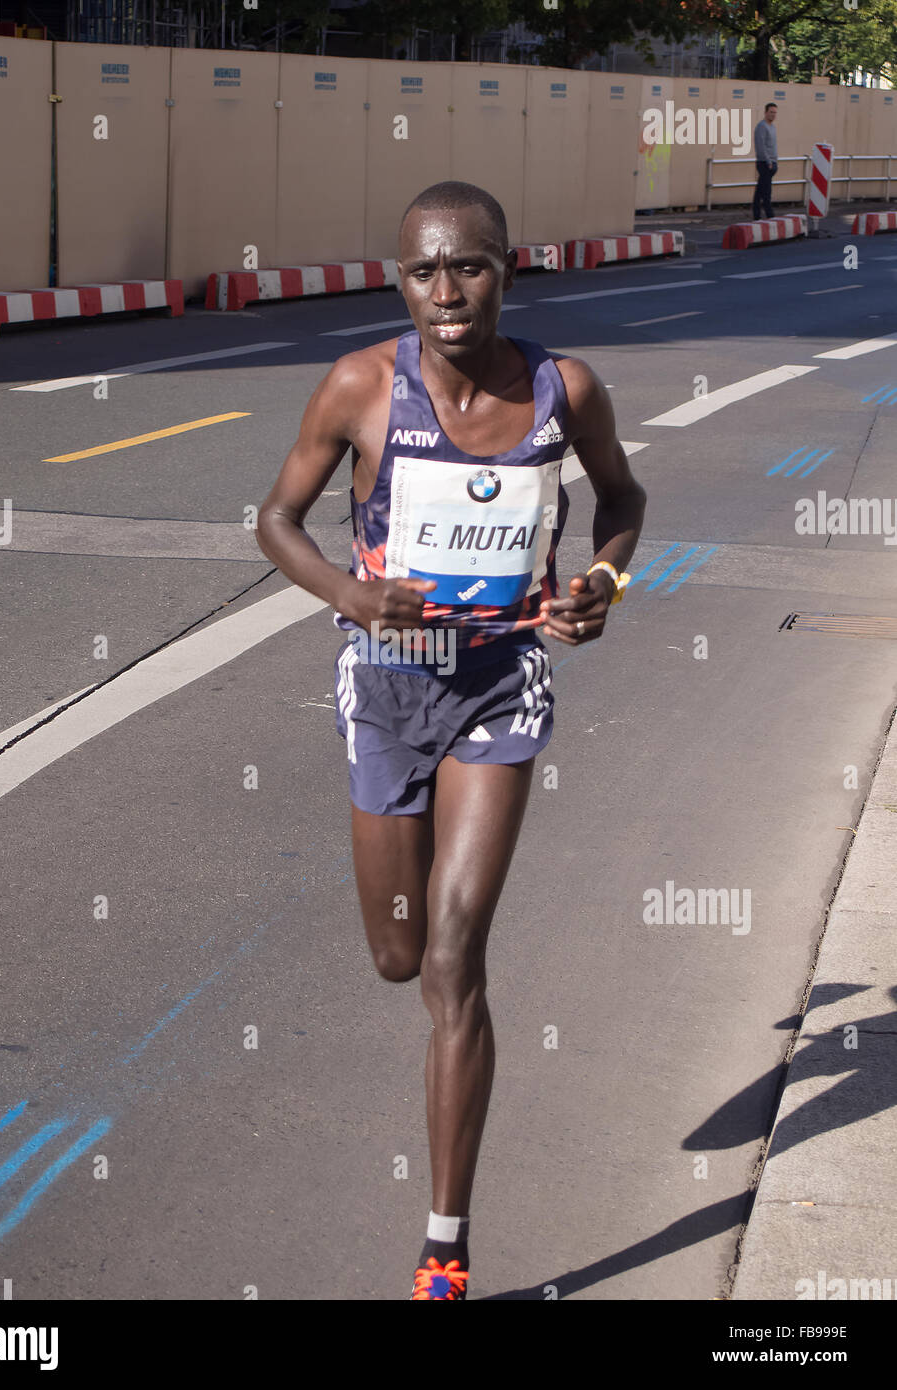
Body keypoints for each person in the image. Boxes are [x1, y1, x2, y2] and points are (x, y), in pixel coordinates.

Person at [256, 180, 646, 1300]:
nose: (448, 292)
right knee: (395, 952)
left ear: (507, 271)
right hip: (385, 688)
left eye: (468, 266)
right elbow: (273, 520)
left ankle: (444, 1248)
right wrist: (352, 594)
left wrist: (602, 583)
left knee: (452, 957)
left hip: (499, 686)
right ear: (400, 282)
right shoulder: (361, 388)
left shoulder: (563, 390)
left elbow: (624, 499)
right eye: (425, 271)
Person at [753, 102, 778, 220]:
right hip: (764, 163)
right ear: (765, 112)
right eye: (771, 112)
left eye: (775, 112)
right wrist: (768, 162)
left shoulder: (772, 127)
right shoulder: (761, 126)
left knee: (760, 191)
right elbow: (761, 146)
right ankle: (770, 216)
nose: (773, 115)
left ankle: (756, 216)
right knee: (766, 192)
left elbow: (771, 145)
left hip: (772, 163)